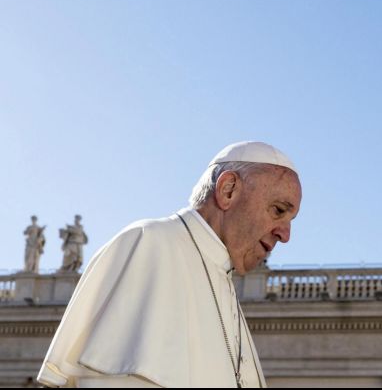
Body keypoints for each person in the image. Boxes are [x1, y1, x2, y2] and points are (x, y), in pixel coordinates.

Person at [38, 141, 302, 388]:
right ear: (228, 190)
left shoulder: (223, 282)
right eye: (278, 210)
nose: (286, 235)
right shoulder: (150, 243)